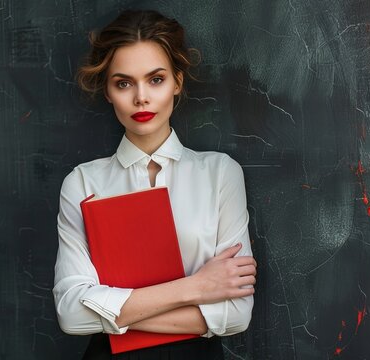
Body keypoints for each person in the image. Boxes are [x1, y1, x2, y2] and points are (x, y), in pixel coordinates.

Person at [53, 9, 257, 359]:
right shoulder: (82, 182)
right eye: (124, 83)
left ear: (177, 81)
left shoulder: (221, 173)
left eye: (156, 79)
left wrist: (112, 308)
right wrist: (198, 287)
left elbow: (236, 314)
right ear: (107, 90)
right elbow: (71, 314)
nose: (141, 98)